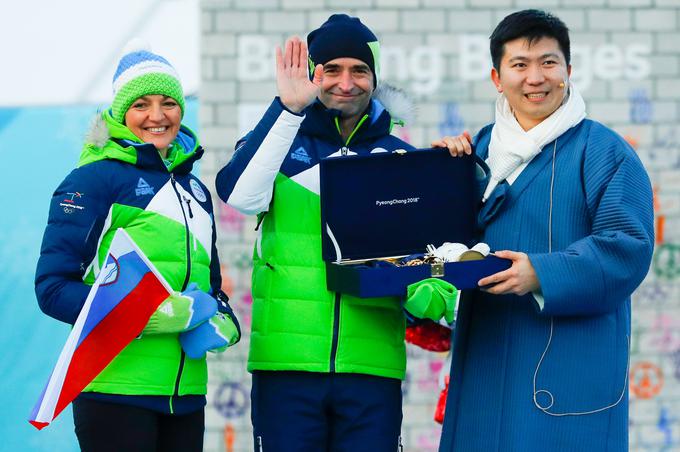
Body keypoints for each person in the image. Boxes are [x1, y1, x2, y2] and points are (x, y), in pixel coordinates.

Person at [431, 9, 654, 451]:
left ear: (568, 71)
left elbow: (627, 248)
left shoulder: (604, 152)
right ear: (497, 77)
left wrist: (542, 273)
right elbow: (445, 242)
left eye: (548, 63)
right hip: (488, 354)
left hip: (568, 362)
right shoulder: (479, 150)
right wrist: (440, 177)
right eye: (520, 65)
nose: (536, 77)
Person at [216, 14, 417, 451]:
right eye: (332, 69)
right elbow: (239, 194)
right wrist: (288, 109)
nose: (346, 82)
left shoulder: (400, 157)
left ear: (374, 77)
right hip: (287, 367)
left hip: (372, 368)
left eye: (359, 70)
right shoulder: (277, 139)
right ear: (313, 74)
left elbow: (425, 253)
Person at [35, 41, 240, 452]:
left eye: (168, 102)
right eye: (141, 104)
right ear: (121, 113)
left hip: (184, 397)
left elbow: (210, 284)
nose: (157, 116)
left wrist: (221, 316)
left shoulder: (195, 190)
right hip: (114, 391)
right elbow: (53, 289)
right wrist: (145, 313)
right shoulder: (94, 180)